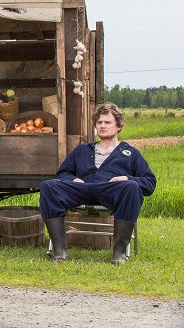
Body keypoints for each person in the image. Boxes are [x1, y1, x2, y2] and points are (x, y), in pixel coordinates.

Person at [39, 103, 156, 264]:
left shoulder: (130, 153)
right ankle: (60, 251)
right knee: (48, 186)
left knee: (131, 187)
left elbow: (150, 183)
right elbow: (62, 173)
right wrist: (73, 179)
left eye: (107, 122)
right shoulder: (82, 150)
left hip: (111, 191)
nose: (102, 126)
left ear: (119, 126)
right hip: (81, 190)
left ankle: (119, 253)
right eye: (99, 122)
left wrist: (128, 179)